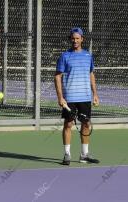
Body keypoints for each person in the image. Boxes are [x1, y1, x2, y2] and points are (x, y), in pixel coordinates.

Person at [54, 27, 100, 166]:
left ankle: (84, 155)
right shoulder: (64, 56)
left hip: (85, 97)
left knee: (86, 124)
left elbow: (91, 74)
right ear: (70, 39)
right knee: (68, 124)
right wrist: (60, 97)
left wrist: (95, 94)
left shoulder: (88, 56)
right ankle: (67, 154)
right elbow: (57, 77)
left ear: (82, 39)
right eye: (73, 38)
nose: (75, 40)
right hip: (70, 98)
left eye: (77, 38)